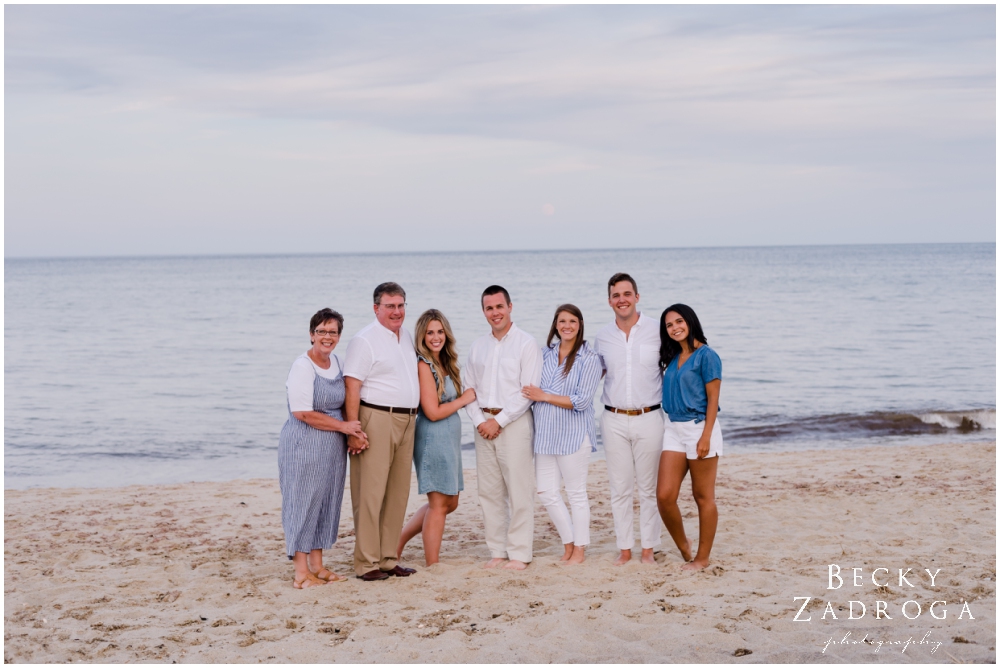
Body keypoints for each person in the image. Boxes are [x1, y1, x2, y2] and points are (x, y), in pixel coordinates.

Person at [278, 308, 368, 589]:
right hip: (303, 443)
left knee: (325, 502)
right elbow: (302, 412)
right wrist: (344, 428)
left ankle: (317, 565)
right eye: (322, 331)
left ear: (339, 336)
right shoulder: (302, 366)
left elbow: (345, 402)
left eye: (333, 332)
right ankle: (301, 572)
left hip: (331, 447)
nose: (327, 337)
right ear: (311, 334)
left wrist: (355, 432)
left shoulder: (337, 363)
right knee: (302, 502)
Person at [343, 282, 421, 581]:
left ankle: (388, 558)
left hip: (407, 421)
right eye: (390, 306)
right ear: (376, 308)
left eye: (400, 305)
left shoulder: (406, 337)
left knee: (397, 493)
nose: (397, 311)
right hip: (375, 418)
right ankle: (366, 563)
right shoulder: (365, 340)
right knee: (371, 493)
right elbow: (352, 385)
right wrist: (353, 428)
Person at [464, 285, 542, 570]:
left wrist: (499, 421)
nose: (495, 312)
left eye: (499, 306)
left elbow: (528, 391)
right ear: (483, 311)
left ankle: (520, 553)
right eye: (489, 308)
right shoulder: (477, 346)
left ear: (510, 307)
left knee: (520, 490)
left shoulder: (526, 343)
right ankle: (497, 551)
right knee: (489, 492)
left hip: (514, 424)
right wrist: (480, 422)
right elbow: (468, 389)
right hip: (482, 425)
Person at [592, 273, 664, 566]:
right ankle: (624, 549)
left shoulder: (657, 331)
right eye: (616, 295)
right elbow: (591, 377)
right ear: (609, 301)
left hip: (650, 417)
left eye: (626, 293)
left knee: (649, 488)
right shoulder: (602, 337)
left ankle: (648, 549)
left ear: (637, 296)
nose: (621, 299)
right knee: (619, 489)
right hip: (614, 419)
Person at [522, 304, 602, 565]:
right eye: (562, 321)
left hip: (573, 434)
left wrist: (544, 395)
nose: (566, 326)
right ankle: (568, 542)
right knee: (546, 492)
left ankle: (580, 548)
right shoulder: (544, 354)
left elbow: (582, 401)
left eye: (572, 321)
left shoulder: (589, 359)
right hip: (545, 434)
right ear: (555, 325)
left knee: (576, 492)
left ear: (580, 324)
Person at [397, 309, 477, 566]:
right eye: (430, 332)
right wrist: (464, 399)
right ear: (422, 335)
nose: (435, 337)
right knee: (439, 503)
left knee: (449, 502)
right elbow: (432, 412)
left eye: (440, 331)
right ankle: (433, 564)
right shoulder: (424, 365)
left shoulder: (445, 361)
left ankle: (397, 541)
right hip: (433, 438)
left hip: (449, 439)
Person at [655, 303, 723, 571]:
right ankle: (684, 545)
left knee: (702, 496)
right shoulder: (673, 358)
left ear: (690, 321)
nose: (675, 328)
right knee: (664, 496)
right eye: (669, 325)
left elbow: (713, 400)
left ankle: (702, 558)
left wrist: (705, 435)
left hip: (699, 428)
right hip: (673, 428)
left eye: (679, 321)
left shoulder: (707, 356)